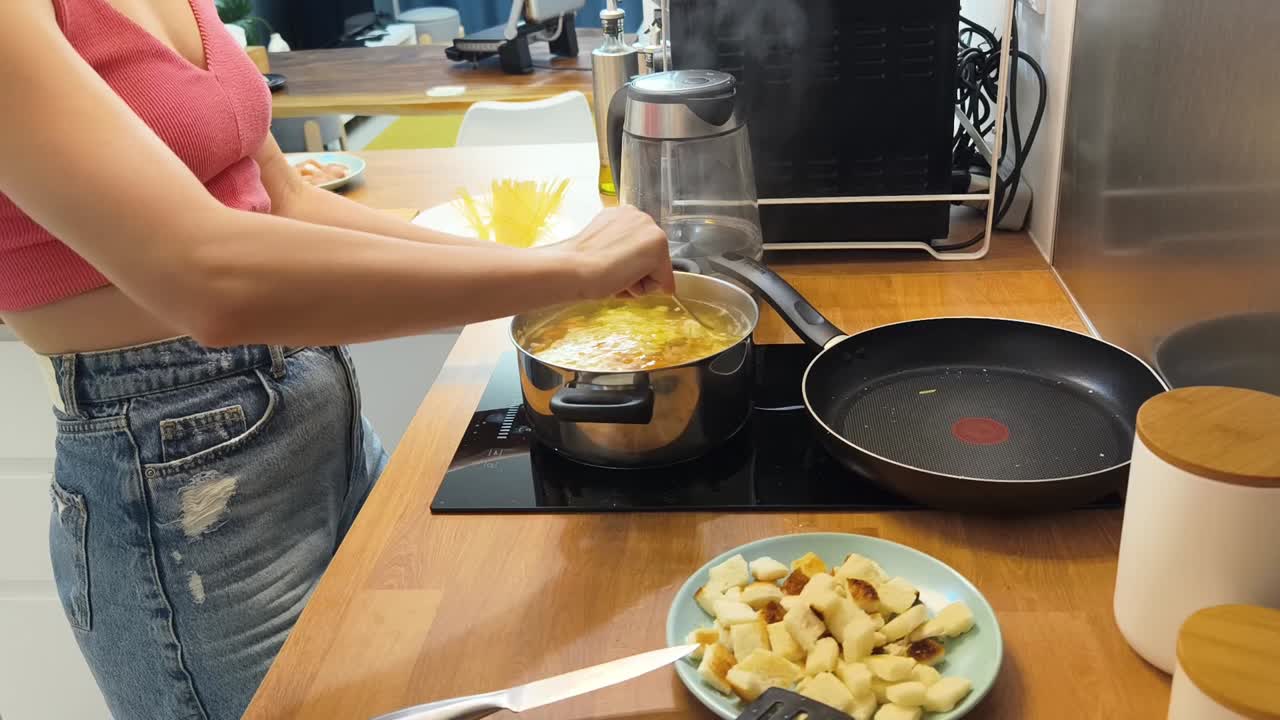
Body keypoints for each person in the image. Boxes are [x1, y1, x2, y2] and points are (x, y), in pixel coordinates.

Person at [0, 1, 674, 718]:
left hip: (322, 425)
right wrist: (566, 273)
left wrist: (545, 271)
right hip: (180, 486)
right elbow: (206, 277)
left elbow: (285, 201)